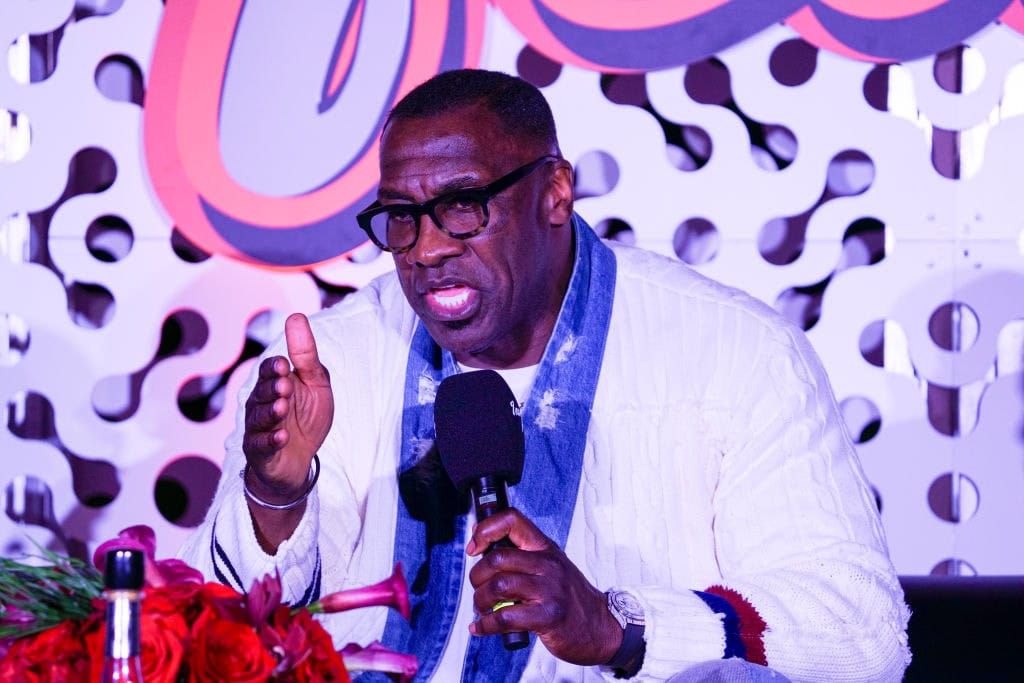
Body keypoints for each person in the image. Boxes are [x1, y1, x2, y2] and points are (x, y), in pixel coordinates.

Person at [180, 69, 910, 681]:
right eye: (401, 216)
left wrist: (622, 627)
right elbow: (219, 634)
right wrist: (274, 497)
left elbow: (862, 632)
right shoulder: (331, 362)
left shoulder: (734, 350)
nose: (426, 249)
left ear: (556, 191)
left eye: (462, 206)